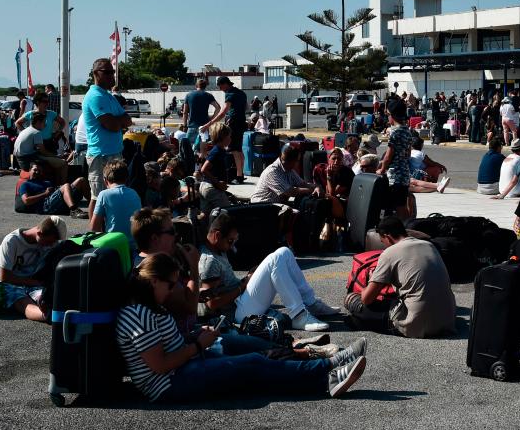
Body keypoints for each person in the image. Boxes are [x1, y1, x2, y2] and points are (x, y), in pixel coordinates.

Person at [119, 253, 367, 403]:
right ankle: (325, 377)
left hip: (181, 370)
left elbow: (163, 346)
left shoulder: (150, 307)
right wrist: (197, 345)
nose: (173, 289)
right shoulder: (138, 313)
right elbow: (159, 365)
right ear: (153, 281)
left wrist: (193, 337)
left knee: (255, 356)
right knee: (252, 365)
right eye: (170, 284)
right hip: (168, 384)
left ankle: (330, 365)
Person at [199, 210, 339, 332]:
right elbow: (212, 303)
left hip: (240, 302)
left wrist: (248, 278)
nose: (232, 246)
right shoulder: (209, 261)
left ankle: (311, 303)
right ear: (217, 235)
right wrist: (243, 285)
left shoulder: (217, 250)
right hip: (235, 313)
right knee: (275, 261)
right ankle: (299, 316)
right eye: (230, 241)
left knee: (284, 252)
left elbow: (226, 285)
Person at [344, 217, 456, 338]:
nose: (384, 245)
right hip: (447, 319)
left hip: (417, 324)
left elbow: (367, 299)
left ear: (387, 237)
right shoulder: (429, 245)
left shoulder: (390, 253)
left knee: (352, 299)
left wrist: (371, 280)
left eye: (383, 242)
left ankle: (364, 322)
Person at [83, 58, 134, 220]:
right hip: (100, 154)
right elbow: (112, 124)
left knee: (114, 193)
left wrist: (118, 122)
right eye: (107, 72)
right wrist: (119, 122)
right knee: (98, 197)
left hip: (114, 152)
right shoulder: (95, 96)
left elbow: (128, 120)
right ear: (95, 74)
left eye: (112, 72)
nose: (112, 76)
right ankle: (95, 233)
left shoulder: (108, 96)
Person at [0, 216, 68, 322]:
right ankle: (49, 316)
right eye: (49, 242)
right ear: (39, 233)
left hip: (34, 284)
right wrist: (35, 282)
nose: (51, 245)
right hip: (11, 283)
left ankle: (53, 308)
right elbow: (4, 277)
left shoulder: (49, 243)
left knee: (46, 296)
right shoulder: (12, 241)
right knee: (20, 299)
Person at [201, 76, 247, 185]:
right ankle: (240, 173)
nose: (220, 89)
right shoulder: (241, 93)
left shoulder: (230, 94)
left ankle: (239, 176)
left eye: (220, 86)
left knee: (234, 150)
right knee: (239, 150)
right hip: (241, 122)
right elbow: (246, 107)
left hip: (234, 123)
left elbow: (223, 112)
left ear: (226, 84)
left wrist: (209, 124)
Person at [89, 159, 143, 253]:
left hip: (113, 246)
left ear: (105, 180)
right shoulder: (134, 193)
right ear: (126, 178)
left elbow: (94, 227)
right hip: (134, 246)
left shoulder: (104, 194)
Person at [377, 98, 413, 220]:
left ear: (392, 115)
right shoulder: (407, 131)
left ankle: (404, 230)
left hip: (395, 176)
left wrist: (381, 169)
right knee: (401, 205)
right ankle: (408, 226)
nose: (387, 117)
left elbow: (388, 155)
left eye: (388, 114)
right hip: (404, 174)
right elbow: (408, 154)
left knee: (398, 208)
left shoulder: (395, 132)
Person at [15, 161, 89, 218]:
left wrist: (58, 188)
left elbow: (56, 192)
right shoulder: (25, 184)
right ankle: (74, 210)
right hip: (45, 206)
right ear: (30, 170)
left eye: (39, 171)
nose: (37, 172)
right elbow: (26, 201)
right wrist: (45, 194)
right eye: (35, 170)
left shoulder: (46, 182)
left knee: (81, 180)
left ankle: (95, 207)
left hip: (56, 201)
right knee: (66, 185)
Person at [251, 143, 318, 205]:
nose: (298, 163)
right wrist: (311, 190)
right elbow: (291, 191)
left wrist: (316, 187)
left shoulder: (289, 170)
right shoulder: (272, 172)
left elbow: (303, 184)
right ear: (292, 161)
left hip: (275, 205)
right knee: (295, 213)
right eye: (297, 161)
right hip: (261, 205)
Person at [12, 113, 67, 183]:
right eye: (44, 122)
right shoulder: (36, 132)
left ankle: (56, 183)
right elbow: (43, 151)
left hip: (21, 160)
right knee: (63, 163)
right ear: (38, 122)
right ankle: (62, 186)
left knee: (54, 161)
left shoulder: (25, 130)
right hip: (28, 160)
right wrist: (57, 156)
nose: (45, 125)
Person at [198, 122, 234, 213]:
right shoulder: (217, 151)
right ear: (222, 137)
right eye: (229, 137)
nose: (230, 139)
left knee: (206, 216)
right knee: (228, 212)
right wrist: (217, 183)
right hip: (211, 188)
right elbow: (204, 169)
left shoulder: (220, 150)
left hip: (206, 187)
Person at [182, 79, 219, 159]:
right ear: (205, 86)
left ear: (196, 86)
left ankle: (189, 167)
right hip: (204, 127)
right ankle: (200, 167)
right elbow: (218, 107)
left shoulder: (188, 95)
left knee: (188, 149)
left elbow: (185, 112)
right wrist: (212, 118)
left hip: (192, 126)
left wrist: (184, 125)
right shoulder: (208, 95)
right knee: (202, 151)